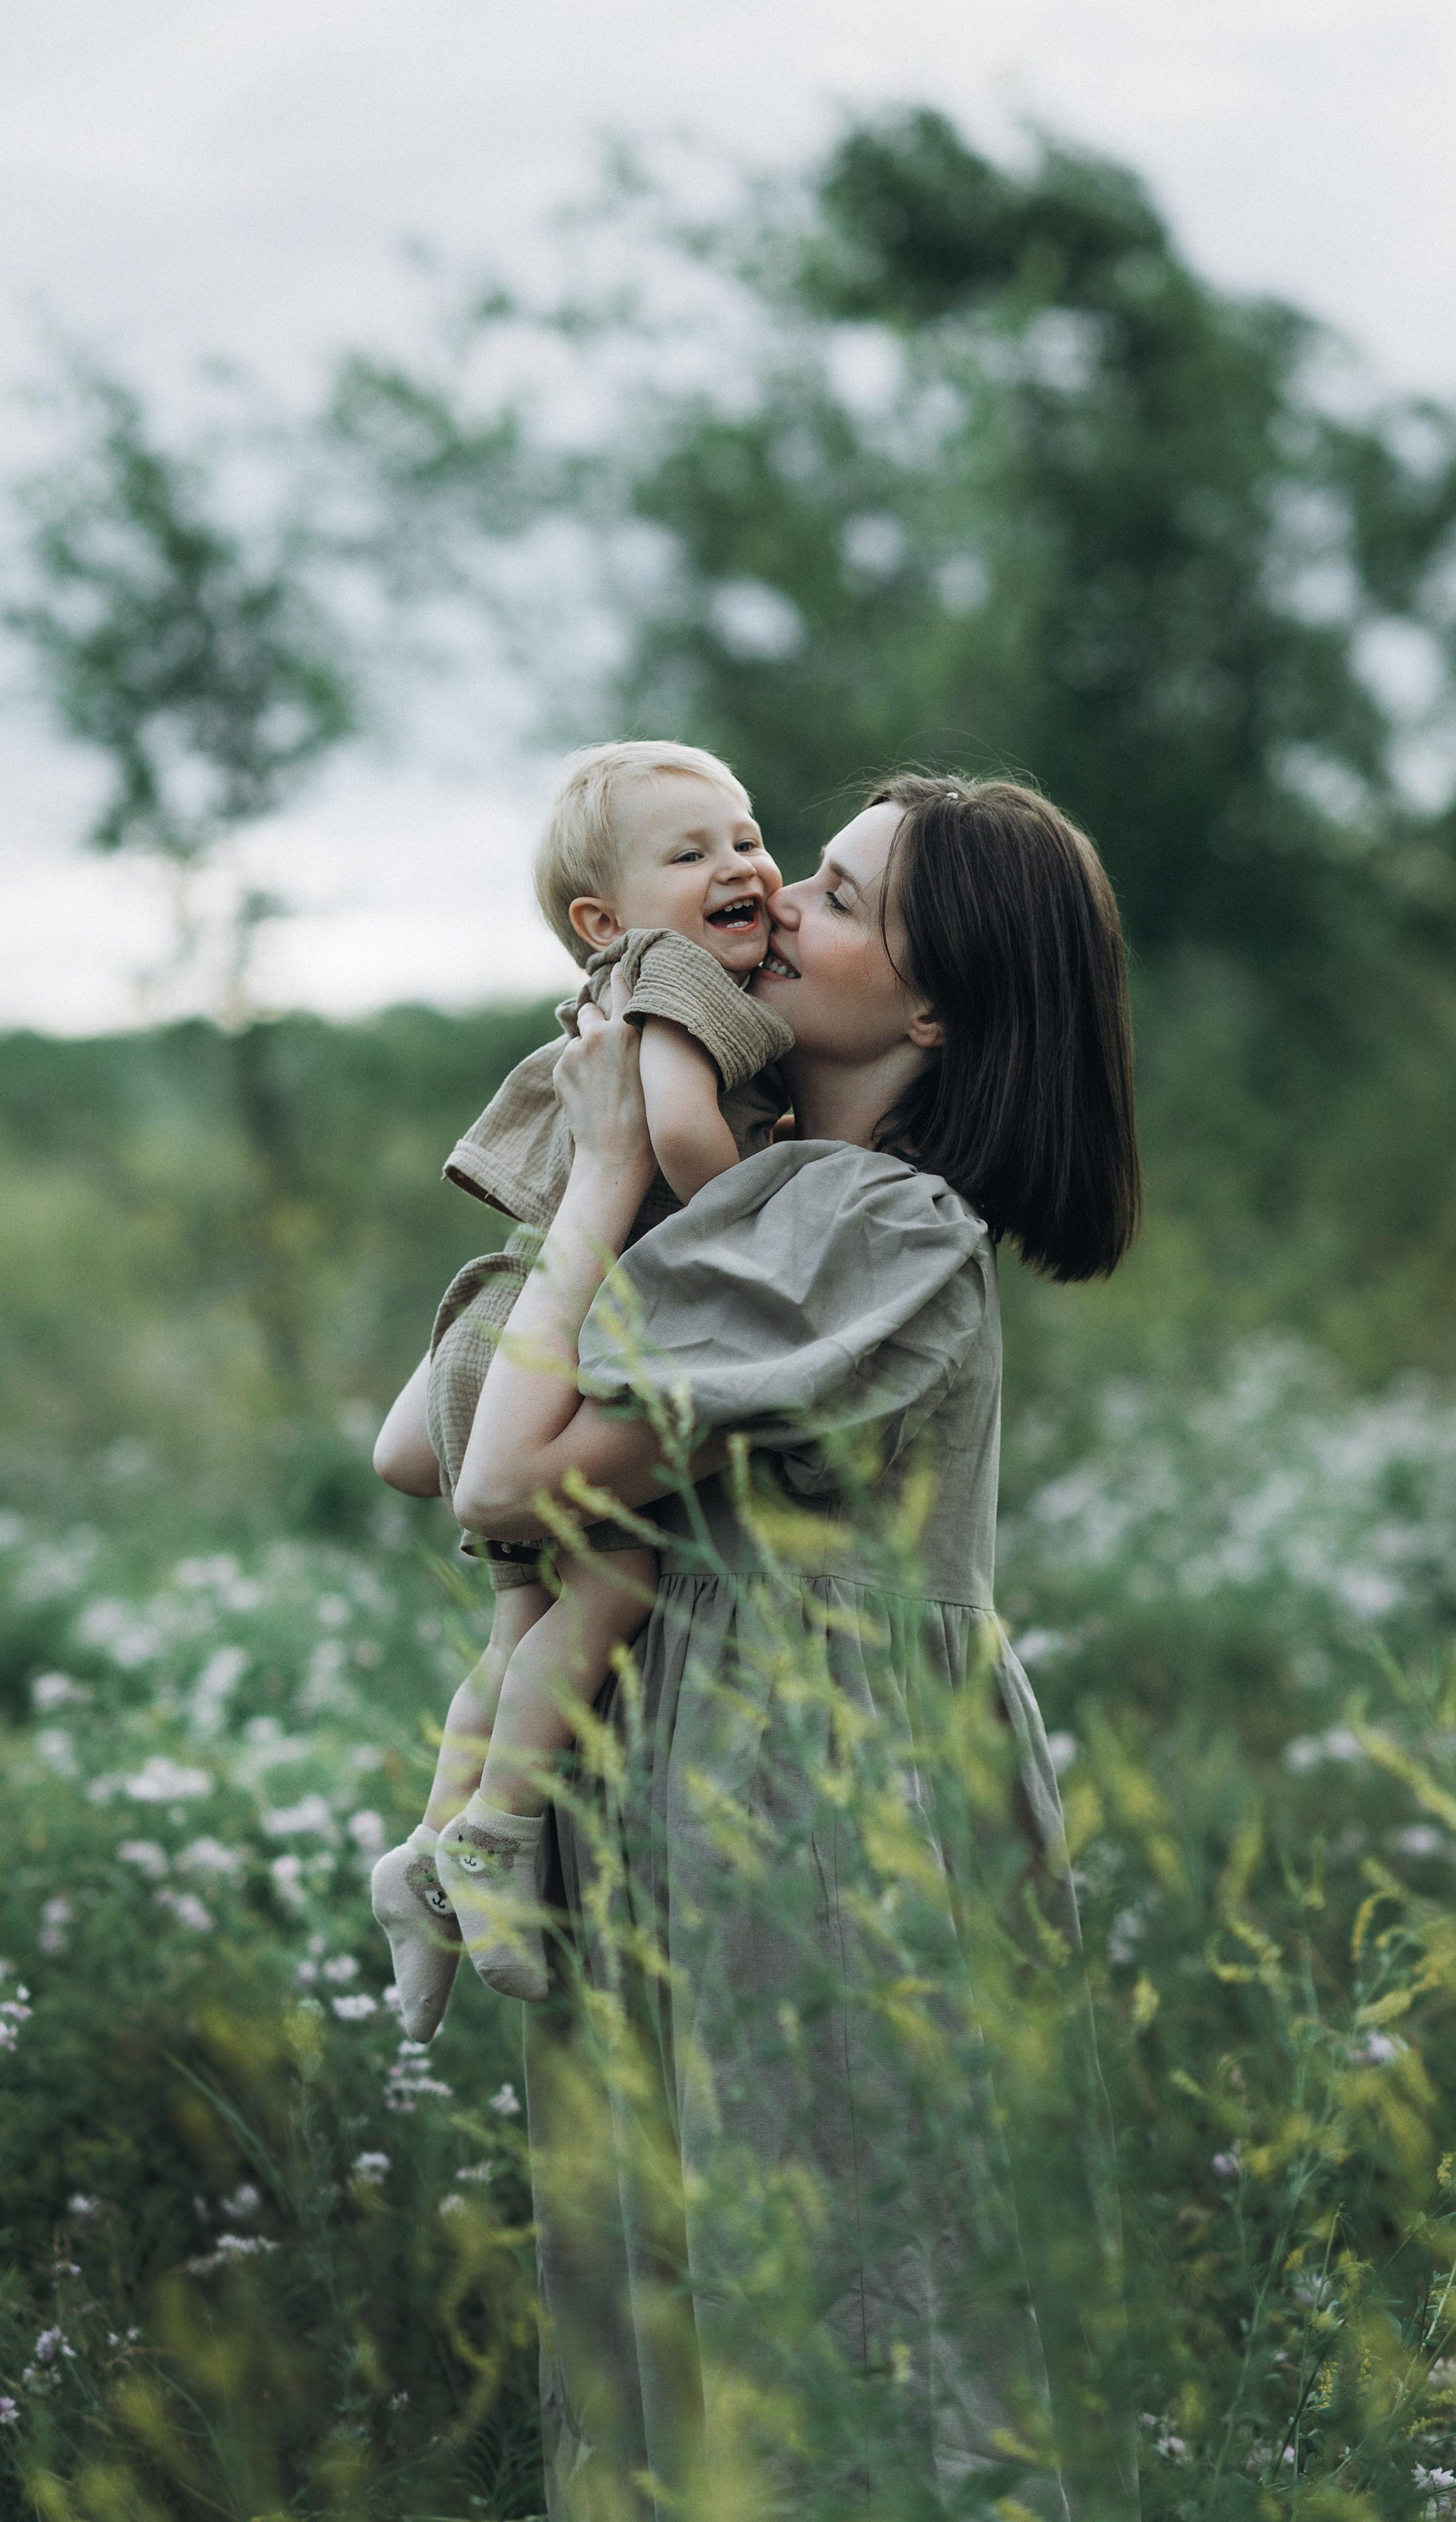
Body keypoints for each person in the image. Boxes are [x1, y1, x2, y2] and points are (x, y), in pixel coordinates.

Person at [451, 773, 1140, 2513]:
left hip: (823, 1812)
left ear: (927, 1003)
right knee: (695, 2300)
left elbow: (500, 1476)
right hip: (699, 1782)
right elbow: (425, 1438)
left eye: (830, 893)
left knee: (852, 2309)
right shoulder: (769, 1195)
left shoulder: (876, 1230)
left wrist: (608, 1175)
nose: (767, 905)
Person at [368, 739, 791, 2040]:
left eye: (744, 833)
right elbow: (669, 1134)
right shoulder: (669, 983)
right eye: (690, 853)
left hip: (499, 1328)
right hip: (563, 1346)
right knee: (610, 1583)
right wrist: (762, 1199)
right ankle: (496, 1829)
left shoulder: (622, 982)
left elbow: (399, 1455)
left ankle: (427, 1851)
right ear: (599, 923)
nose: (739, 866)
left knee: (514, 1633)